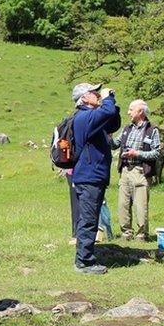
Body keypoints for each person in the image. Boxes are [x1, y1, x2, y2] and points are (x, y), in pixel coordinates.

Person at [70, 82, 121, 274]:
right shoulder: (84, 117)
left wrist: (113, 105)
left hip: (93, 175)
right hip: (89, 176)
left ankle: (85, 257)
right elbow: (106, 113)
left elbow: (113, 122)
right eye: (93, 92)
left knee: (89, 217)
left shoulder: (91, 117)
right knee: (89, 219)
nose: (97, 94)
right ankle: (84, 262)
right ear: (84, 98)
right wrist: (108, 99)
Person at [110, 99, 161, 241]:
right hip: (126, 170)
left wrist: (137, 153)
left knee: (141, 206)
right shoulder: (127, 129)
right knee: (123, 204)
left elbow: (156, 153)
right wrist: (107, 134)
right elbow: (114, 145)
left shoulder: (152, 130)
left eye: (131, 109)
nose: (128, 112)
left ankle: (141, 235)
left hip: (141, 172)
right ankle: (126, 233)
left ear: (140, 112)